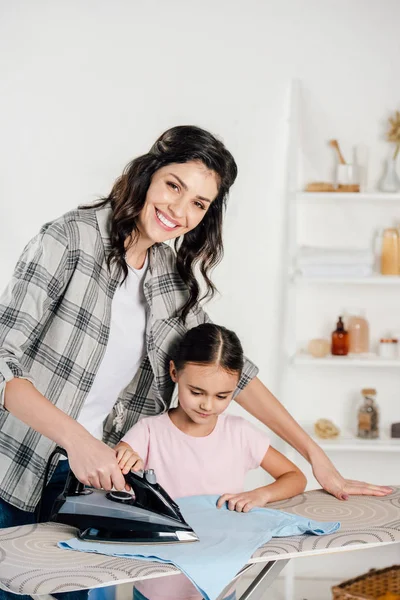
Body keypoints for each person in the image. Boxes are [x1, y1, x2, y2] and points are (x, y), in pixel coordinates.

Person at [0, 125, 391, 600]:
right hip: (16, 465)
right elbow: (4, 361)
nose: (180, 212)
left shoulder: (167, 276)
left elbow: (233, 374)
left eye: (199, 204)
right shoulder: (70, 240)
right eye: (174, 186)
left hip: (95, 480)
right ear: (147, 174)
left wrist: (317, 459)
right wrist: (78, 440)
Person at [115, 322, 307, 600]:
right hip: (156, 588)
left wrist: (261, 494)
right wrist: (123, 460)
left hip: (220, 587)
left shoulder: (240, 433)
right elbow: (117, 465)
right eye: (197, 392)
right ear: (174, 373)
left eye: (222, 396)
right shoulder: (148, 431)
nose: (208, 406)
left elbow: (295, 477)